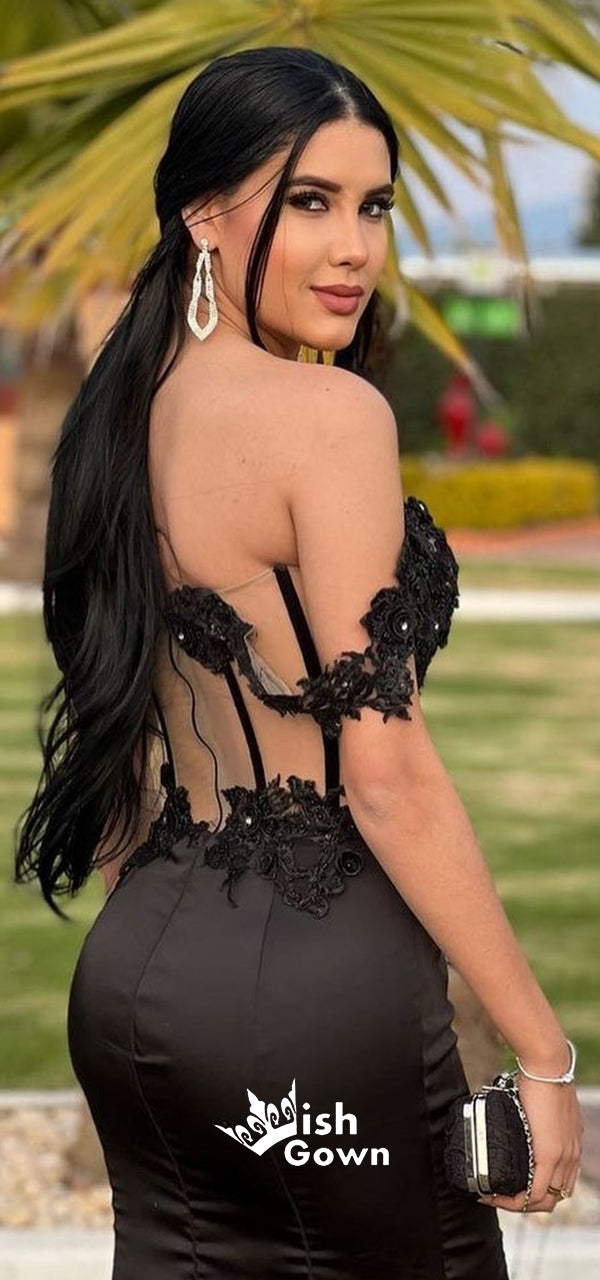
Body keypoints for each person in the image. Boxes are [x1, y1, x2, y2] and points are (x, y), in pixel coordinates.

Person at [15, 46, 583, 1280]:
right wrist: (543, 1055)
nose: (352, 248)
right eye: (310, 201)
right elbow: (387, 777)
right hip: (323, 993)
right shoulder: (330, 419)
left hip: (140, 979)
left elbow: (114, 735)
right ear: (202, 212)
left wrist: (181, 963)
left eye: (373, 207)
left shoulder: (118, 416)